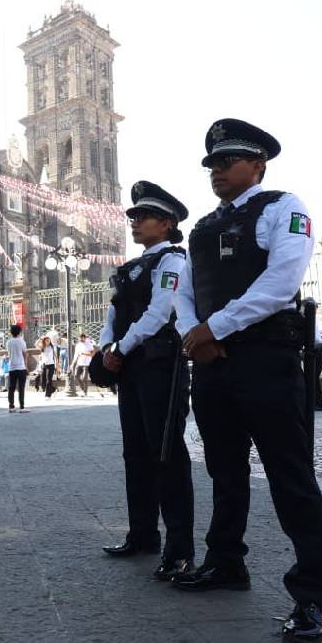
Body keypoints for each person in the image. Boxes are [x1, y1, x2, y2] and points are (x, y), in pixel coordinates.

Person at [173, 119, 322, 643]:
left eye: (228, 161)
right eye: (213, 164)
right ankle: (225, 561)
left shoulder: (284, 208)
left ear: (257, 165)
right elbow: (185, 292)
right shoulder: (201, 228)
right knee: (224, 471)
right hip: (214, 364)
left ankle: (313, 593)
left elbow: (282, 281)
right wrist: (195, 335)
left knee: (290, 476)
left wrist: (213, 327)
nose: (217, 171)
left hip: (265, 358)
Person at [98, 180, 194, 582]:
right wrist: (107, 347)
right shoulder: (130, 267)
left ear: (167, 223)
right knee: (135, 453)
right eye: (133, 215)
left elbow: (161, 311)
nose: (134, 221)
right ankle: (142, 534)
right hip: (131, 365)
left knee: (166, 455)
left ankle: (179, 549)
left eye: (144, 216)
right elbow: (112, 313)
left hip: (159, 365)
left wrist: (120, 347)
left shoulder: (171, 261)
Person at [6, 324, 28, 412]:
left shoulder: (8, 342)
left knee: (11, 388)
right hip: (21, 366)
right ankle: (22, 407)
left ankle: (11, 406)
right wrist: (26, 366)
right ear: (19, 332)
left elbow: (9, 353)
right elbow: (25, 354)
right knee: (21, 388)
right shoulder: (22, 341)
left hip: (11, 367)